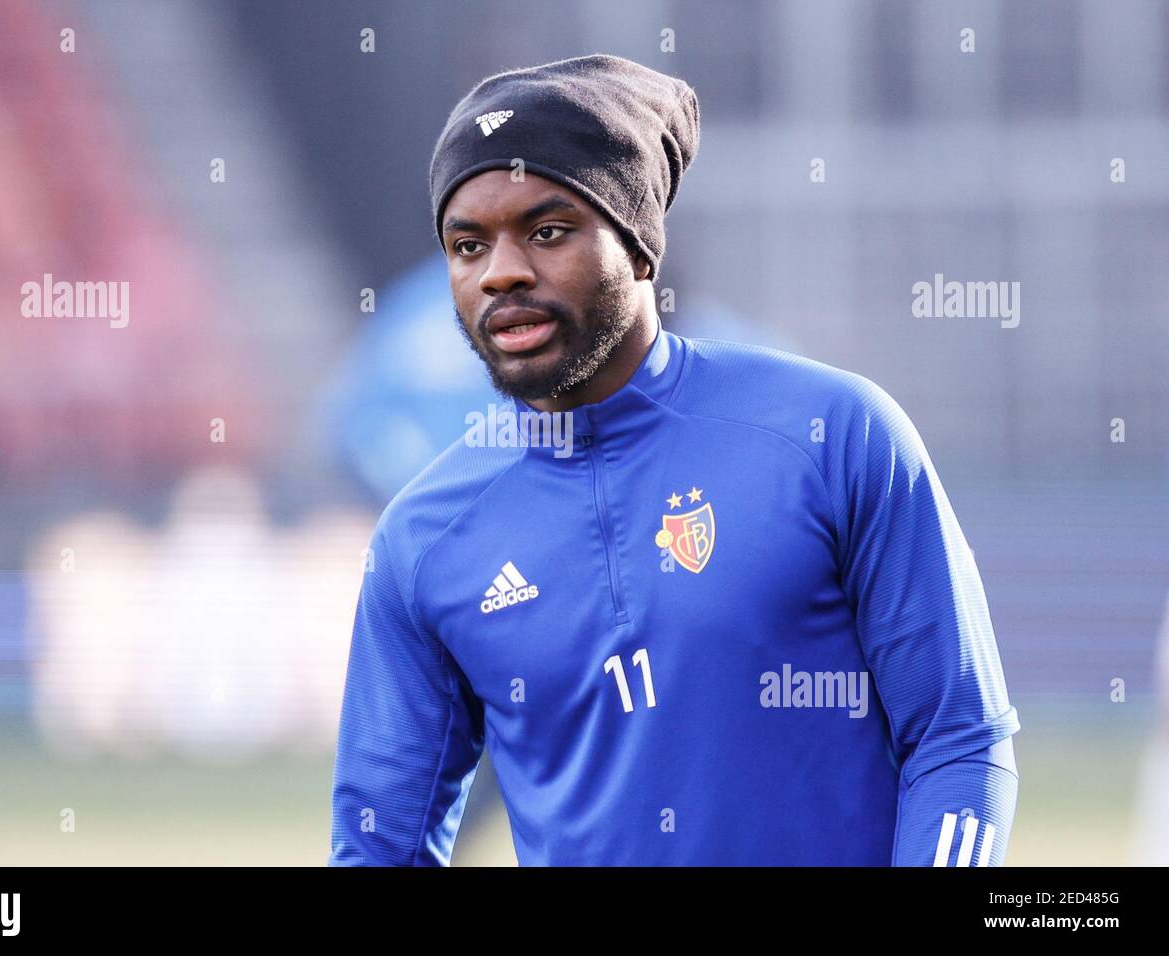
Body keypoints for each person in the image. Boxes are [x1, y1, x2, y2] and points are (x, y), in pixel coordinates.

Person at [328, 53, 1020, 866]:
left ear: (639, 245)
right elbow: (379, 845)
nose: (501, 272)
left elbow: (959, 738)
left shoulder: (833, 434)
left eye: (547, 231)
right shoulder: (423, 538)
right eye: (467, 244)